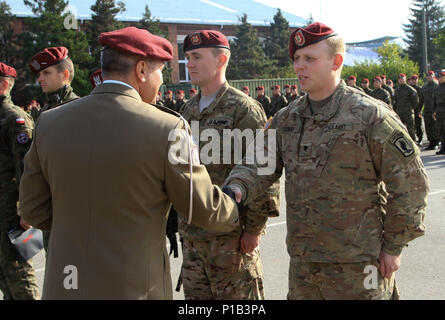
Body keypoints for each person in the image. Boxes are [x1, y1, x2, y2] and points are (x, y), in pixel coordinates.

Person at [19, 27, 240, 300]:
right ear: (142, 70)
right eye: (160, 71)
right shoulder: (167, 127)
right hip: (134, 286)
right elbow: (202, 207)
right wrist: (235, 205)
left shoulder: (49, 123)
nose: (161, 82)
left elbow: (32, 208)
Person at [224, 22, 429, 300]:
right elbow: (258, 163)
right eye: (296, 58)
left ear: (337, 61)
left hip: (359, 264)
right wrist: (237, 186)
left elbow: (410, 184)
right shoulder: (287, 118)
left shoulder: (370, 116)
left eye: (309, 58)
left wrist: (393, 246)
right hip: (304, 265)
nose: (299, 67)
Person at [179, 29, 280, 300]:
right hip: (193, 237)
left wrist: (254, 229)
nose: (189, 64)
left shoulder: (243, 109)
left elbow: (264, 170)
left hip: (231, 238)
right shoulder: (187, 111)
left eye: (197, 57)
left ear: (221, 60)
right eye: (188, 57)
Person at [0, 62, 40, 300]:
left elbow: (27, 168)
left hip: (12, 212)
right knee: (5, 277)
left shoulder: (15, 119)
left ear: (4, 84)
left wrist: (27, 209)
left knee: (20, 275)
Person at [29, 46, 79, 120]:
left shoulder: (79, 108)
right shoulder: (43, 112)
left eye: (46, 73)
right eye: (39, 74)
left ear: (65, 75)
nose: (39, 79)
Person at [393, 73, 419, 140]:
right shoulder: (396, 90)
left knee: (410, 129)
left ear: (405, 79)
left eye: (402, 79)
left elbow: (415, 102)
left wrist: (410, 108)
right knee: (401, 130)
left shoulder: (410, 89)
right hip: (400, 113)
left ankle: (413, 144)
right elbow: (395, 101)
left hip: (408, 112)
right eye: (399, 79)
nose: (401, 80)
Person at [422, 70, 439, 150]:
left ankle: (436, 142)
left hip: (434, 109)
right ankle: (431, 143)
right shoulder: (424, 87)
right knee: (428, 127)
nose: (429, 76)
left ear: (433, 75)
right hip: (427, 109)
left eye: (430, 75)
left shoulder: (437, 85)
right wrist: (419, 109)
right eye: (428, 75)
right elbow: (422, 99)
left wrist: (436, 110)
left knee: (435, 127)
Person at [408, 74, 424, 144]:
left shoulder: (420, 89)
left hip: (417, 109)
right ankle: (413, 139)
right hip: (410, 109)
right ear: (410, 80)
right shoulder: (408, 88)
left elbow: (422, 100)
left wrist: (420, 110)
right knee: (411, 125)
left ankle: (420, 138)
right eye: (413, 79)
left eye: (415, 79)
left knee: (418, 125)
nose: (414, 81)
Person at [433, 71, 445, 155]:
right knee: (440, 130)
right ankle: (443, 148)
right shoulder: (437, 88)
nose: (440, 78)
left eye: (442, 77)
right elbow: (434, 101)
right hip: (439, 112)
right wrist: (434, 111)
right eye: (440, 77)